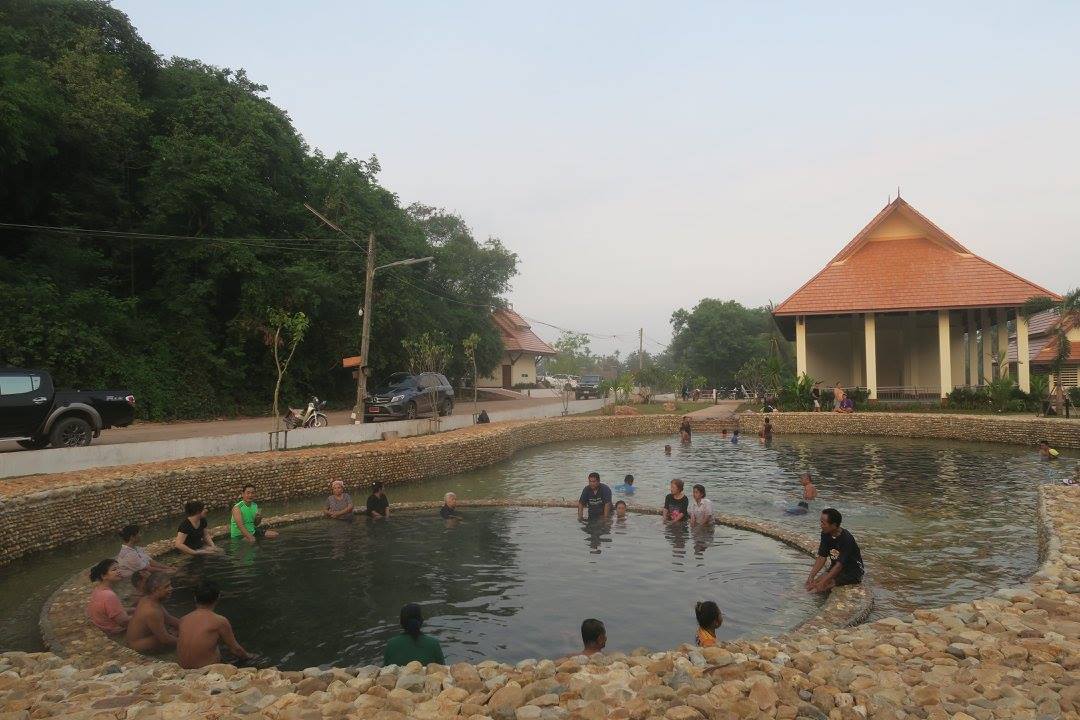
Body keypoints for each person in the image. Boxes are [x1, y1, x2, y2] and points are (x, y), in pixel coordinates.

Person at [177, 581, 251, 669]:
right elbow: (236, 650)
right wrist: (251, 657)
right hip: (203, 671)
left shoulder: (183, 619)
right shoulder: (220, 621)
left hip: (182, 669)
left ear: (195, 598)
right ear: (218, 598)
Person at [806, 508, 864, 593]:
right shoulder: (825, 534)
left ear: (834, 525)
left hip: (852, 572)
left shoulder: (847, 539)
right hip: (836, 568)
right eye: (821, 522)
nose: (821, 525)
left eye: (823, 523)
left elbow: (839, 566)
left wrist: (822, 583)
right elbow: (821, 557)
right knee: (811, 584)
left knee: (819, 588)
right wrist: (811, 577)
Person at [126, 572, 178, 653]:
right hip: (137, 647)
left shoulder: (147, 599)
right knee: (173, 637)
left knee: (176, 630)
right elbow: (165, 639)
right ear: (155, 590)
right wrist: (185, 641)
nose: (171, 588)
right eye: (167, 586)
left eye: (170, 585)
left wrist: (187, 626)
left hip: (135, 641)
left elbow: (169, 618)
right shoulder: (152, 611)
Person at [86, 559, 129, 635]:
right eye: (114, 570)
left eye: (119, 568)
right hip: (115, 630)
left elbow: (114, 611)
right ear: (104, 576)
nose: (119, 571)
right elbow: (123, 622)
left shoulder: (98, 590)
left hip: (103, 627)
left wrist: (135, 609)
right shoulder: (109, 595)